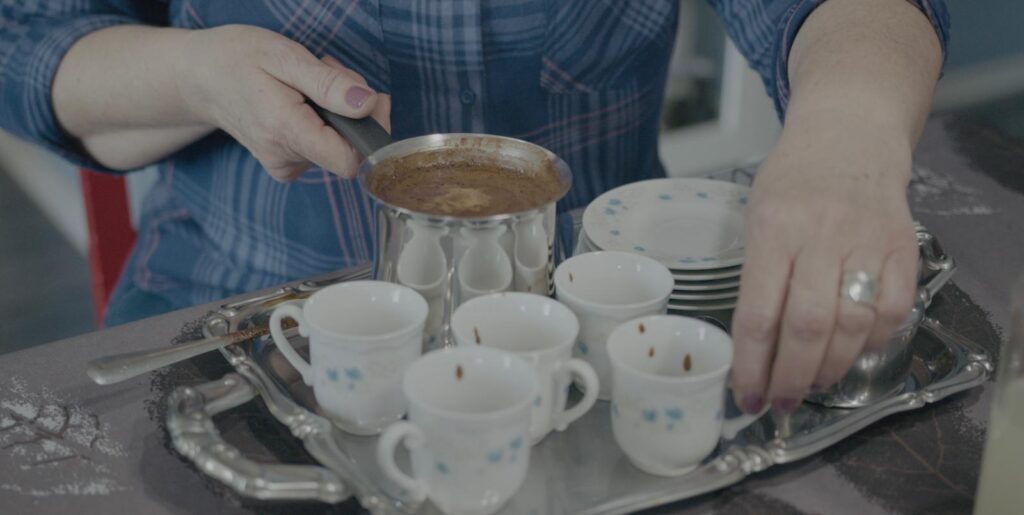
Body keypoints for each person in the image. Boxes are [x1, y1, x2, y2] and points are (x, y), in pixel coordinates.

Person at [0, 0, 949, 415]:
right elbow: (28, 41)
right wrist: (196, 75)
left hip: (600, 329)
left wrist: (848, 130)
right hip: (239, 310)